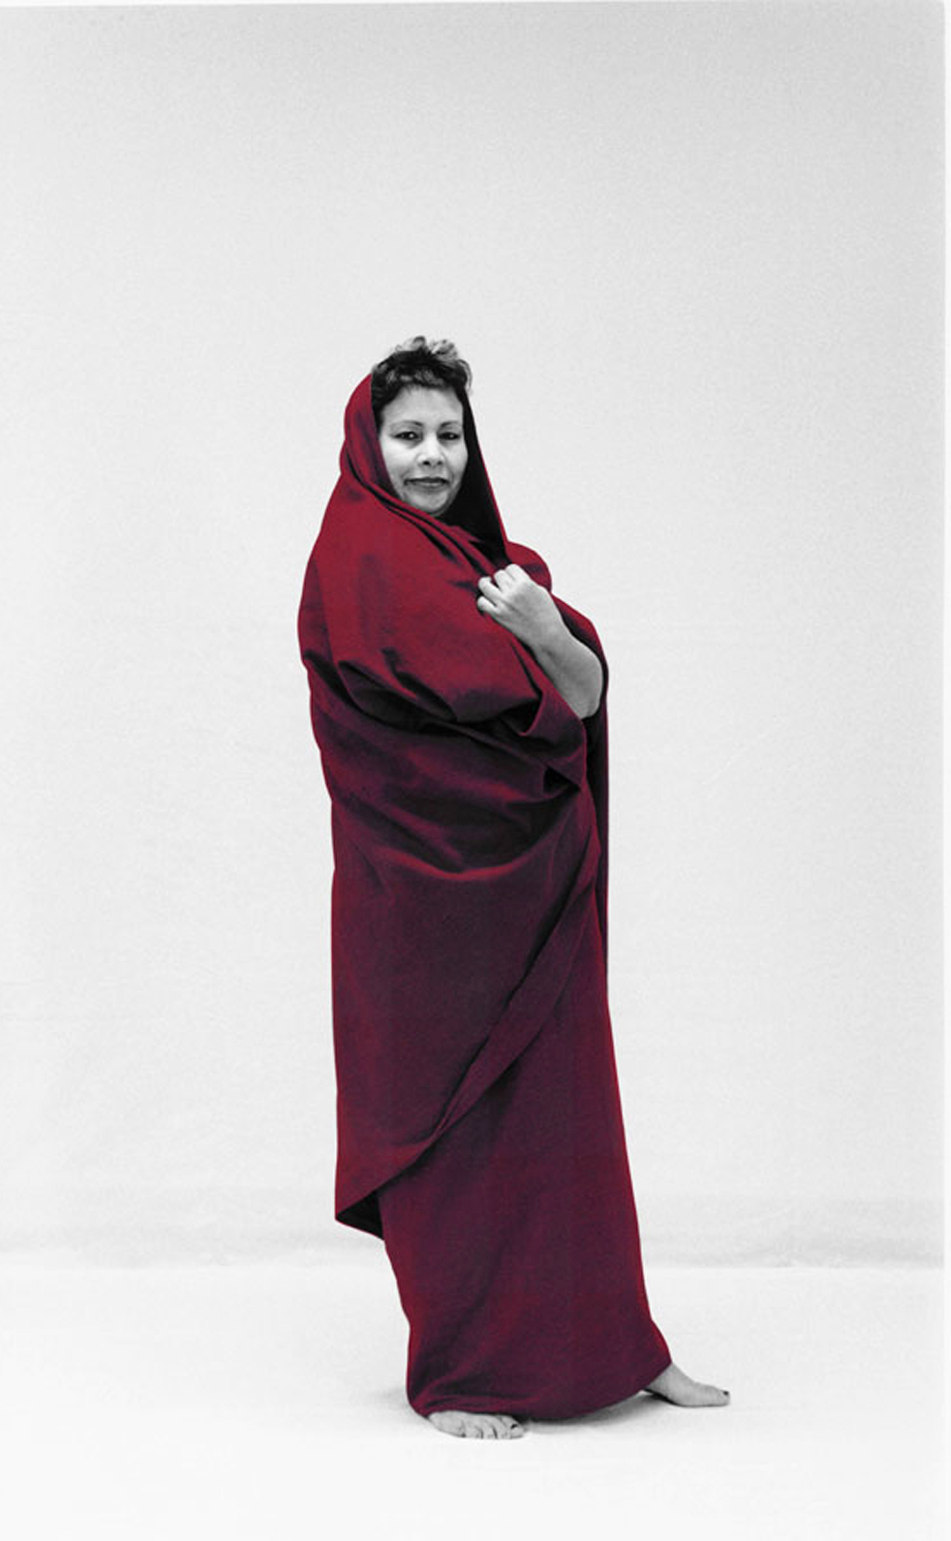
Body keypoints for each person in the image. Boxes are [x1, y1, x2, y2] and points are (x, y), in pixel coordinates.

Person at [297, 336, 729, 1439]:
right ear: (369, 445)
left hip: (533, 892)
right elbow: (549, 701)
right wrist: (544, 637)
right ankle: (459, 1372)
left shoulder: (491, 567)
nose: (432, 455)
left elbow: (577, 694)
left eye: (450, 433)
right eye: (408, 435)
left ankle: (623, 1346)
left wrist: (542, 627)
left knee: (568, 1115)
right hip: (421, 909)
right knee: (456, 1134)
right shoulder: (363, 559)